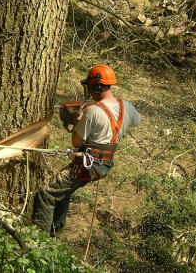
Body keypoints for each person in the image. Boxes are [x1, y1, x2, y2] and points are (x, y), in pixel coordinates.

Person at [32, 64, 141, 236]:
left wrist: (79, 120)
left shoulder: (93, 112)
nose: (89, 91)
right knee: (64, 190)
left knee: (47, 193)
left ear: (96, 86)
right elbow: (136, 121)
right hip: (103, 164)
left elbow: (76, 141)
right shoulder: (126, 106)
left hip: (87, 165)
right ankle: (55, 232)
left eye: (90, 87)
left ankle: (37, 240)